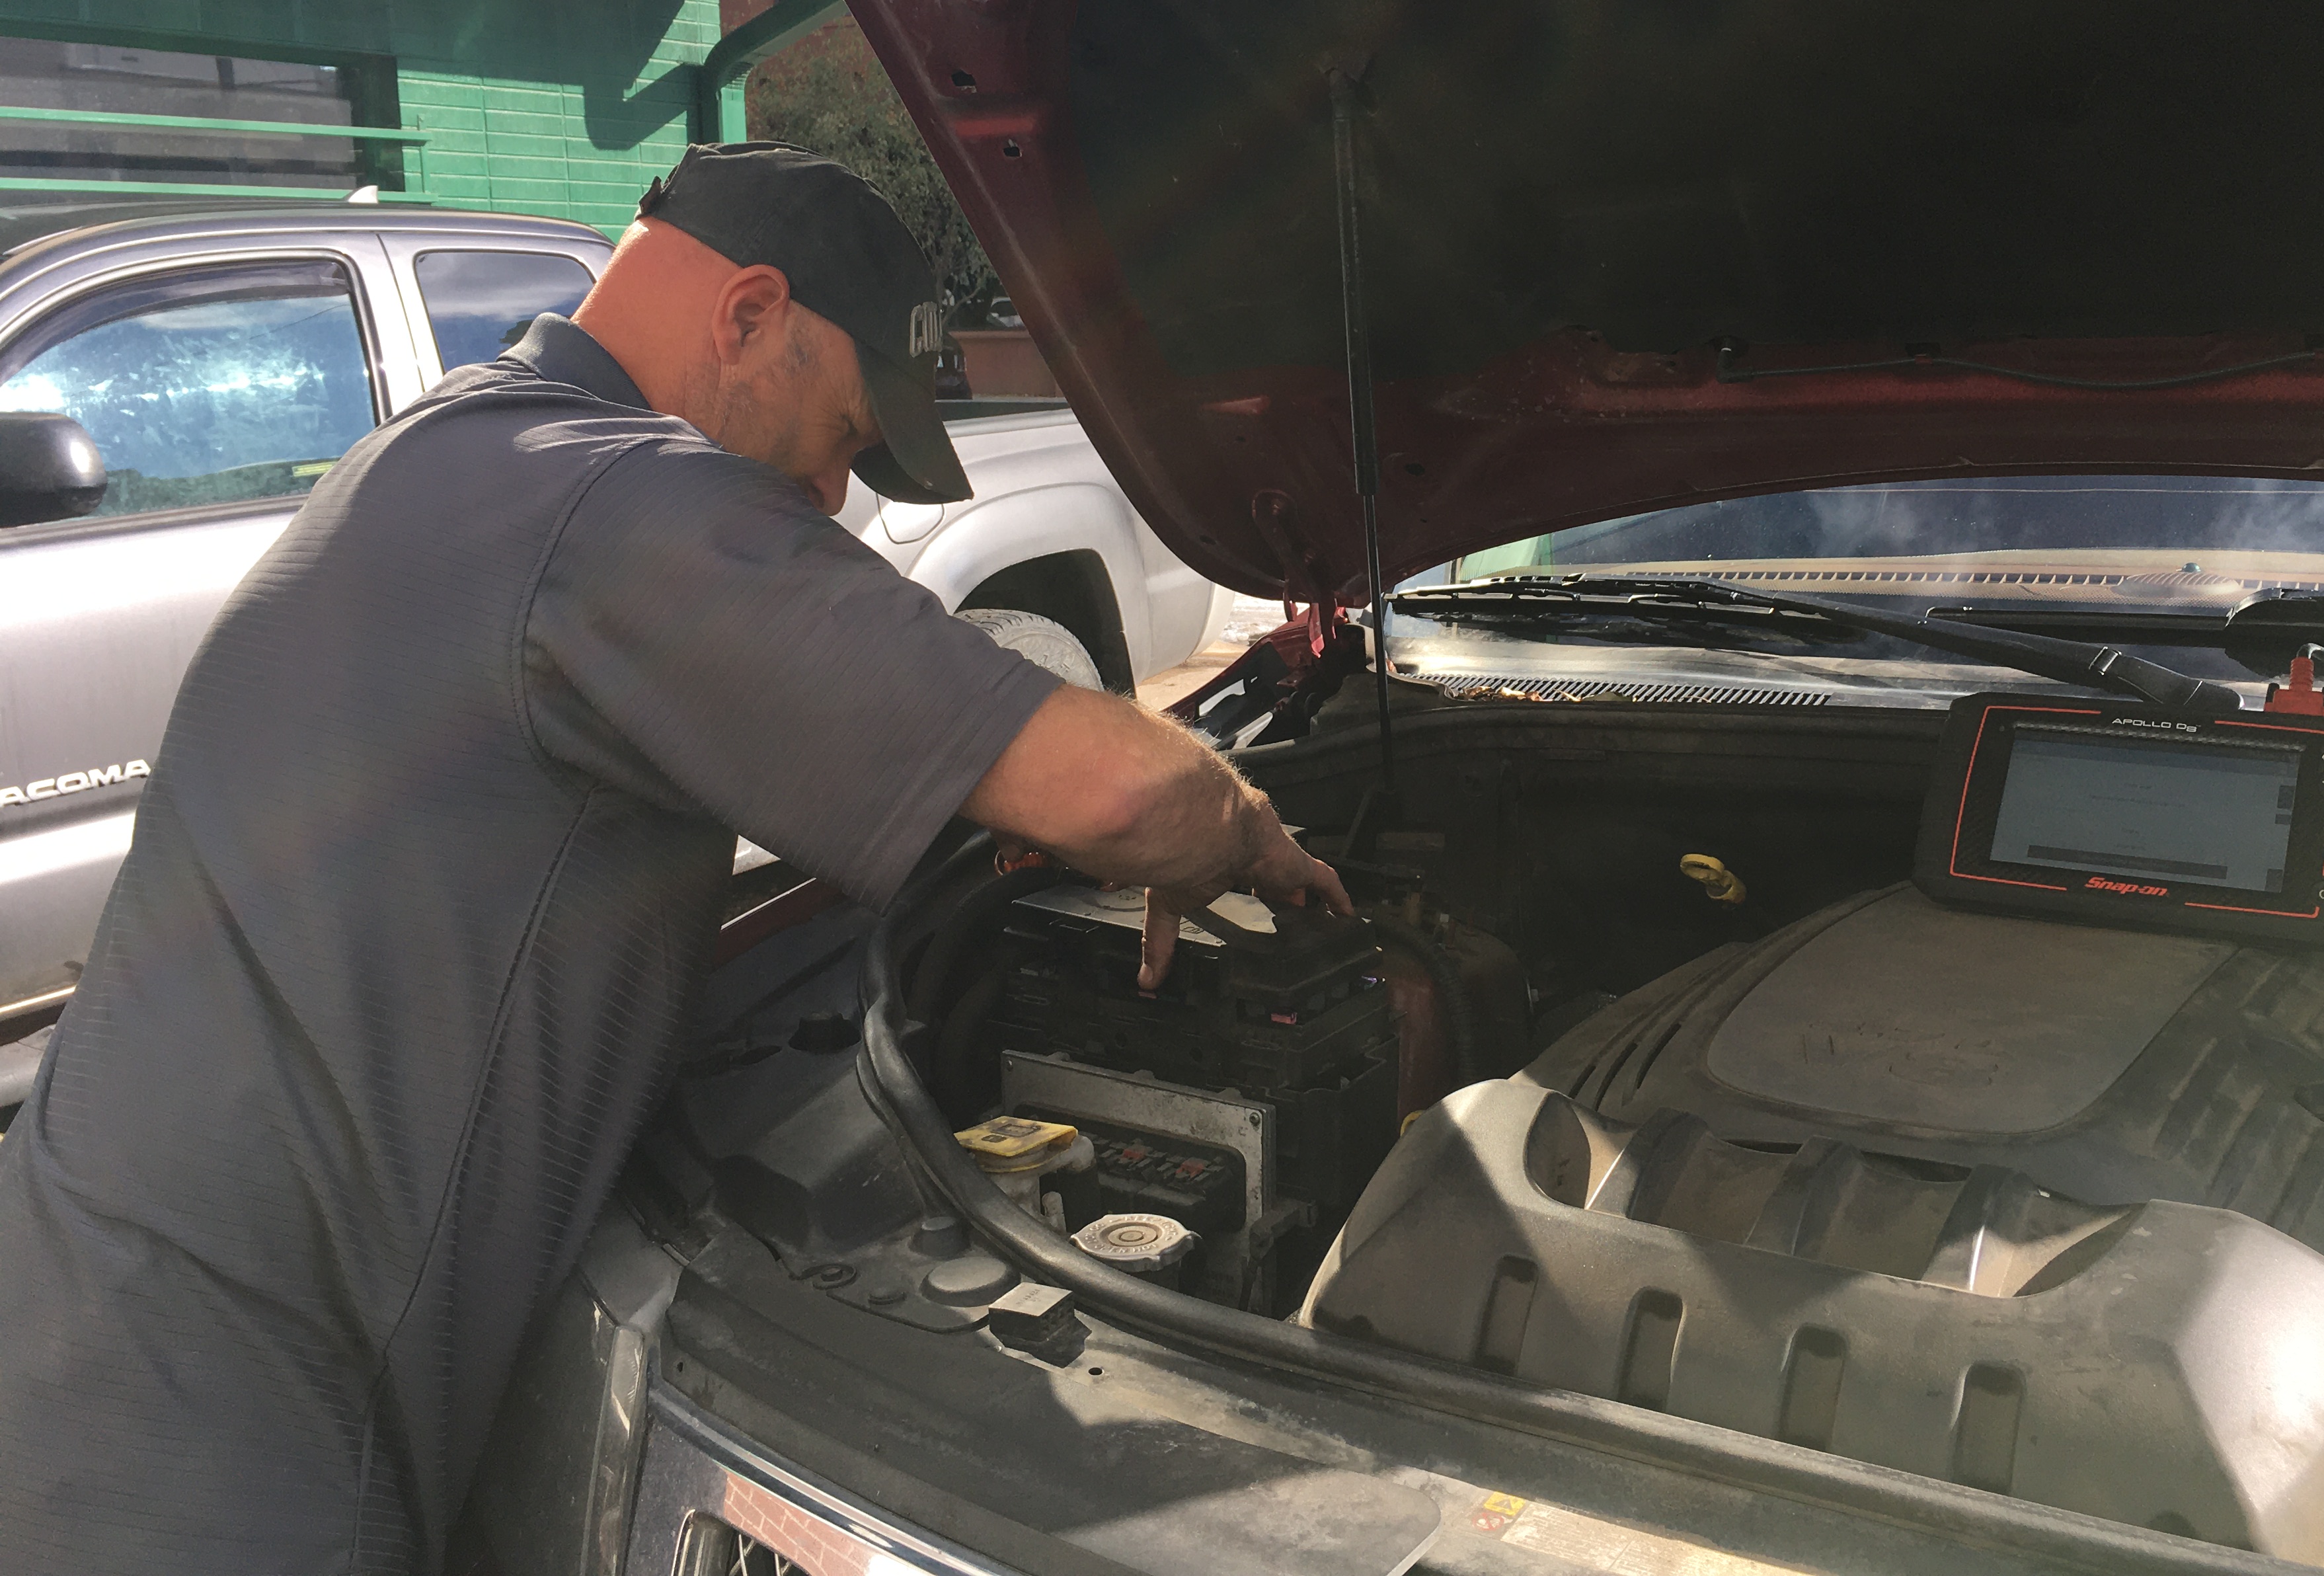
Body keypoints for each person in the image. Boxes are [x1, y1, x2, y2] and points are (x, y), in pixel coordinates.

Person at [0, 143, 1345, 1575]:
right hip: (228, 1440)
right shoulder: (615, 507)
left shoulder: (453, 447)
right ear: (748, 313)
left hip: (95, 1313)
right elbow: (1122, 786)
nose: (834, 495)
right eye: (841, 430)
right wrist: (1248, 833)